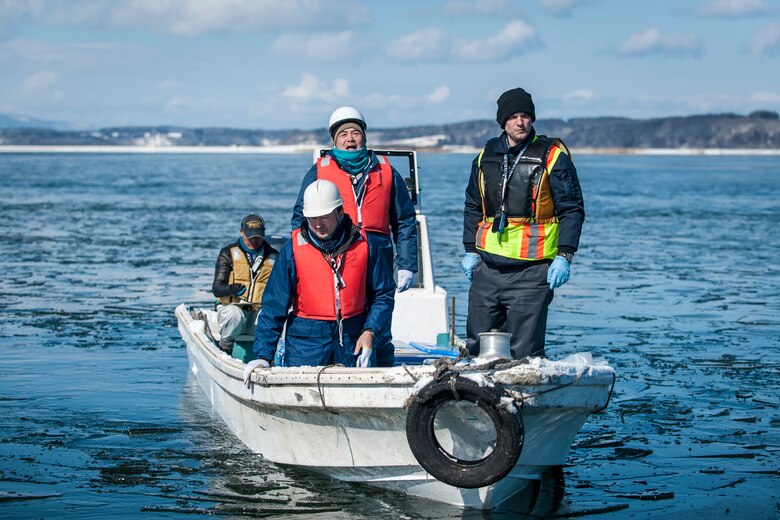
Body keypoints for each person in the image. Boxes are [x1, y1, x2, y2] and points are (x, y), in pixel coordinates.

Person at [462, 87, 585, 360]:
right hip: (488, 269)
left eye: (526, 116)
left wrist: (565, 255)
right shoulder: (485, 156)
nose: (521, 122)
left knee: (524, 353)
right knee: (475, 348)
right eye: (514, 116)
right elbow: (472, 205)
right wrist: (470, 249)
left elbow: (573, 209)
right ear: (502, 121)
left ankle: (521, 400)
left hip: (533, 272)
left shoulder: (553, 156)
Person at [248, 179, 395, 374]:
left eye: (324, 217)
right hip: (306, 343)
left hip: (354, 340)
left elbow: (383, 295)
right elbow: (274, 305)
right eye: (312, 218)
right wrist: (263, 357)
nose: (317, 225)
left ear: (340, 212)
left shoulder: (366, 245)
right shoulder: (292, 249)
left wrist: (370, 331)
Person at [290, 106, 418, 292]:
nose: (350, 138)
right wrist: (302, 257)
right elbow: (300, 217)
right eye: (343, 134)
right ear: (334, 140)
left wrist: (407, 264)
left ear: (364, 137)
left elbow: (405, 220)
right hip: (337, 255)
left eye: (355, 133)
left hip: (378, 258)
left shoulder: (387, 171)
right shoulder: (319, 172)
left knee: (379, 311)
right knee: (344, 310)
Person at [212, 213, 278, 354]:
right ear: (241, 232)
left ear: (263, 234)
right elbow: (217, 288)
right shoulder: (227, 253)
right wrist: (231, 289)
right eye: (249, 236)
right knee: (234, 315)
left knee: (271, 316)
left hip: (257, 311)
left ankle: (268, 356)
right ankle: (225, 348)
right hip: (233, 309)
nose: (253, 241)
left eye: (257, 237)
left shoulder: (274, 256)